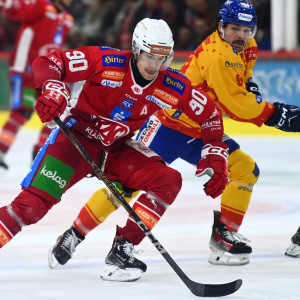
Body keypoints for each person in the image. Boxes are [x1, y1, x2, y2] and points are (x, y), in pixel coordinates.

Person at [48, 0, 300, 281]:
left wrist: (255, 93)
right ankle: (75, 234)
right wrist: (277, 114)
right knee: (123, 187)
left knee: (245, 170)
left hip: (201, 132)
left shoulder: (246, 48)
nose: (241, 35)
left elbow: (243, 83)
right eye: (234, 29)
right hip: (166, 127)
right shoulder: (218, 56)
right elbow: (236, 104)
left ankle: (223, 237)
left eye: (246, 29)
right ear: (221, 27)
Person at [0, 18, 230, 280]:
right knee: (30, 208)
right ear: (135, 48)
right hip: (75, 141)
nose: (155, 65)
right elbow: (49, 63)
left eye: (162, 57)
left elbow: (210, 114)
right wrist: (52, 88)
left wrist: (215, 151)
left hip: (116, 150)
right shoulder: (105, 61)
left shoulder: (171, 85)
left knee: (168, 180)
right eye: (149, 56)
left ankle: (123, 249)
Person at [0, 0, 74, 172]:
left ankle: (39, 155)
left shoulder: (68, 19)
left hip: (47, 76)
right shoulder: (41, 5)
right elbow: (16, 10)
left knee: (54, 114)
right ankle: (1, 151)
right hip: (25, 71)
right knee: (21, 112)